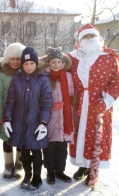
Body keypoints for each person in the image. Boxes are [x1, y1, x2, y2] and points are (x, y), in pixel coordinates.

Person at [67, 24, 119, 187]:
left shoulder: (108, 57)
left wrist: (106, 100)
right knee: (80, 136)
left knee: (96, 138)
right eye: (86, 37)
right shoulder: (72, 57)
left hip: (99, 105)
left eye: (92, 36)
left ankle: (93, 171)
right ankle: (83, 166)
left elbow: (118, 81)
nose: (89, 39)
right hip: (78, 104)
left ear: (98, 38)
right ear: (80, 40)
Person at [3, 47, 52, 190]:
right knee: (23, 152)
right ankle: (27, 175)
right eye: (26, 63)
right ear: (22, 65)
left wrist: (43, 123)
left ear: (36, 63)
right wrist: (7, 119)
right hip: (20, 123)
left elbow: (47, 103)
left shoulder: (43, 79)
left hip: (36, 123)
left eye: (31, 63)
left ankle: (37, 177)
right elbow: (11, 100)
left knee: (36, 152)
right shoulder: (17, 79)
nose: (28, 67)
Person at [39, 47, 75, 185]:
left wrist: (69, 107)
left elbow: (71, 95)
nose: (56, 65)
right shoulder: (44, 77)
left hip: (65, 118)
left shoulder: (68, 76)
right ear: (49, 63)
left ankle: (60, 171)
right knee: (50, 147)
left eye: (58, 62)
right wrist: (53, 106)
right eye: (53, 62)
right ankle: (50, 172)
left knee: (62, 148)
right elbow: (41, 97)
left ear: (62, 62)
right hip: (50, 117)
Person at [0, 43, 26, 179]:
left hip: (22, 115)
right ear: (7, 59)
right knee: (7, 140)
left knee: (21, 140)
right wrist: (0, 115)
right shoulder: (2, 75)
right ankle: (8, 166)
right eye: (12, 59)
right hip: (7, 115)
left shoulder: (26, 73)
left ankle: (19, 166)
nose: (15, 62)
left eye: (18, 59)